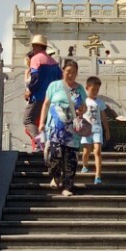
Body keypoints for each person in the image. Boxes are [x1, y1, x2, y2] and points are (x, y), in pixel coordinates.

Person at [39, 59, 87, 197]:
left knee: (70, 158)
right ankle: (55, 175)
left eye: (73, 72)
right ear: (63, 71)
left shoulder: (80, 89)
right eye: (68, 72)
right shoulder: (54, 86)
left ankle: (67, 186)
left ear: (77, 73)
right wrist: (42, 122)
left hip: (72, 130)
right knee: (54, 154)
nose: (70, 75)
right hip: (55, 128)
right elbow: (46, 104)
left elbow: (83, 107)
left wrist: (81, 111)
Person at [24, 34, 62, 150]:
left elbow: (35, 77)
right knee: (44, 122)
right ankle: (48, 145)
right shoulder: (54, 62)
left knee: (28, 120)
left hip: (38, 96)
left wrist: (30, 90)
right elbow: (60, 78)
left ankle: (42, 143)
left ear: (37, 46)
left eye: (34, 46)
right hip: (51, 98)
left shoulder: (36, 59)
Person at [80, 76, 110, 185]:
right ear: (87, 88)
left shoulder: (100, 102)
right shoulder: (83, 101)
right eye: (93, 90)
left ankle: (98, 175)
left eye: (97, 90)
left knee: (97, 151)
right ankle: (84, 165)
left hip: (97, 129)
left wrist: (107, 130)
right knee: (86, 151)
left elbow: (103, 117)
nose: (95, 92)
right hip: (86, 129)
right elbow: (79, 114)